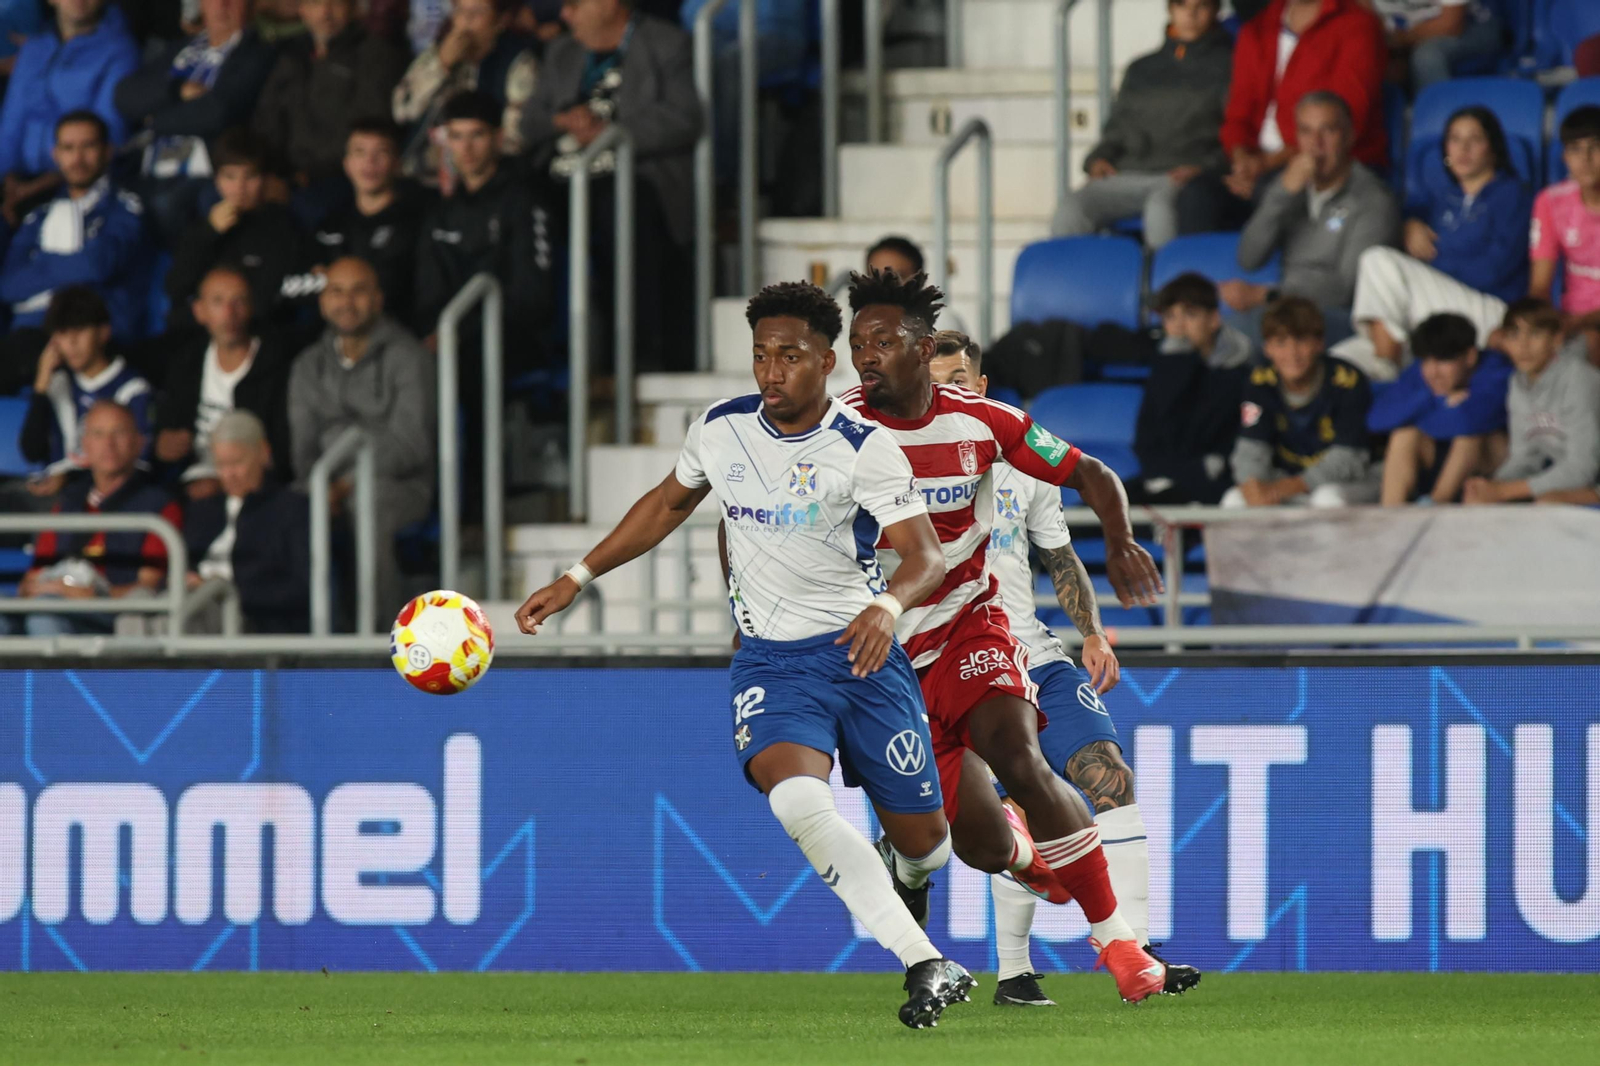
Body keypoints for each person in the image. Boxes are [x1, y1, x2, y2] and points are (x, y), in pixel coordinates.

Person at [515, 281, 977, 1028]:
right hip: (771, 665)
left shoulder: (865, 449)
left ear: (826, 362)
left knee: (928, 848)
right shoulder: (721, 429)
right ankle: (925, 960)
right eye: (761, 355)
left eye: (789, 356)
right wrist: (577, 576)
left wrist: (887, 609)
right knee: (796, 801)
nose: (771, 371)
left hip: (862, 659)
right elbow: (668, 504)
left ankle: (904, 869)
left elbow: (926, 558)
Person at [837, 269, 1172, 1003]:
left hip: (971, 628)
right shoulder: (835, 431)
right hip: (883, 659)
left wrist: (1119, 540)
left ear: (921, 347)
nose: (865, 357)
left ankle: (1120, 943)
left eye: (882, 342)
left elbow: (1090, 472)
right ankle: (1021, 854)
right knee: (977, 845)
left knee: (1022, 758)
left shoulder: (983, 422)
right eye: (857, 343)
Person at [926, 331, 1203, 1005]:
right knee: (1011, 808)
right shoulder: (900, 461)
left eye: (958, 380)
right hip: (957, 660)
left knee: (1110, 775)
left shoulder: (1021, 456)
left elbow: (1057, 554)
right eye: (934, 383)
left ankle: (1137, 947)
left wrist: (1093, 633)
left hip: (1036, 653)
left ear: (981, 387)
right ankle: (1015, 973)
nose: (946, 394)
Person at [522, 0, 701, 372]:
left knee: (623, 211)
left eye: (574, 5)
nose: (565, 15)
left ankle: (637, 354)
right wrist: (561, 120)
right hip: (562, 176)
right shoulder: (562, 50)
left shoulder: (666, 43)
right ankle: (539, 356)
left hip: (635, 175)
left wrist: (611, 133)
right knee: (517, 205)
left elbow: (683, 117)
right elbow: (529, 120)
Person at [1332, 106, 1529, 382]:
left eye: (1475, 139)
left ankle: (1388, 363)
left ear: (1493, 147)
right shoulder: (1443, 197)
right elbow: (1402, 214)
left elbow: (1495, 269)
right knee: (1336, 364)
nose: (1463, 149)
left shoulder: (1514, 194)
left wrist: (1428, 267)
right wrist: (1409, 225)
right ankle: (1386, 359)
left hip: (1491, 312)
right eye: (1455, 139)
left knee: (1376, 259)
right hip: (1435, 312)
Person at [288, 257, 435, 620]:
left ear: (378, 299)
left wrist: (347, 483)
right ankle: (299, 635)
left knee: (368, 507)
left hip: (400, 485)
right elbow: (303, 449)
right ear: (323, 301)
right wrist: (322, 486)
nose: (346, 302)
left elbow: (411, 443)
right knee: (283, 510)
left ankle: (377, 634)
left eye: (358, 291)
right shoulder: (307, 364)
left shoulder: (408, 357)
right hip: (325, 484)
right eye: (337, 292)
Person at [1178, 0, 1386, 235]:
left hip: (1326, 162)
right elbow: (1238, 115)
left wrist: (1266, 164)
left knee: (1273, 193)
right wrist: (1242, 161)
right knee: (1196, 195)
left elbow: (1343, 121)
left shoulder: (1357, 25)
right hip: (1257, 164)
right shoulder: (1257, 28)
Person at [1051, 0, 1231, 249]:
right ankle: (1071, 275)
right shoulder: (1140, 69)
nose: (1191, 13)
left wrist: (1204, 168)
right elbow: (1116, 130)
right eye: (1182, 4)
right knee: (1072, 208)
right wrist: (1098, 159)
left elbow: (1238, 135)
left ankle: (1165, 275)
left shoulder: (1231, 65)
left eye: (1201, 5)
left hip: (1181, 177)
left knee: (1161, 210)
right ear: (1170, 9)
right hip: (1127, 173)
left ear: (1215, 10)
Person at [1228, 92, 1400, 347]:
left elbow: (1346, 289)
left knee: (1238, 337)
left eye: (1328, 131)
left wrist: (1269, 296)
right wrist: (1282, 193)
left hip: (1342, 319)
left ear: (1349, 136)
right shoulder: (1290, 186)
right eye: (1306, 132)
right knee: (1210, 333)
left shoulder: (1373, 199)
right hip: (1288, 313)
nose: (1316, 144)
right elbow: (1248, 258)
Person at [1, 401, 180, 638]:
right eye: (98, 434)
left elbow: (148, 588)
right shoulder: (67, 503)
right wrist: (39, 588)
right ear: (85, 444)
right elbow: (32, 577)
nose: (108, 444)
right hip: (55, 599)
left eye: (119, 433)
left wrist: (90, 596)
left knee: (45, 614)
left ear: (139, 443)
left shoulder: (160, 507)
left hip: (111, 614)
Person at [0, 111, 148, 394]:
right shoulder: (39, 216)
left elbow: (97, 265)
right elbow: (8, 285)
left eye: (88, 146)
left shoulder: (124, 208)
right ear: (55, 154)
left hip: (93, 334)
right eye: (68, 148)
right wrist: (72, 265)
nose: (77, 158)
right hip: (31, 332)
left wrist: (41, 264)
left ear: (108, 151)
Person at [113, 0, 278, 242]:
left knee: (164, 204)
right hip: (150, 163)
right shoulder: (183, 49)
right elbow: (124, 95)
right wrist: (177, 89)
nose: (222, 6)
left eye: (233, 0)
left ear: (250, 6)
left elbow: (217, 112)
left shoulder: (257, 53)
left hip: (207, 171)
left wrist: (155, 119)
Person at [415, 91, 550, 362]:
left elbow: (531, 298)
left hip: (508, 341)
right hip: (449, 337)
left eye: (477, 135)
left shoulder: (524, 200)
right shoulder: (440, 212)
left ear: (498, 138)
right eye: (456, 136)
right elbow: (428, 294)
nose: (466, 148)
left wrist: (462, 333)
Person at [251, 0, 409, 225]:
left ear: (353, 8)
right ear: (302, 9)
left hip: (341, 177)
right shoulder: (291, 53)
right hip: (285, 175)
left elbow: (369, 125)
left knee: (305, 212)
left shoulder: (375, 52)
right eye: (315, 3)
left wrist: (301, 178)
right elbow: (266, 118)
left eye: (335, 3)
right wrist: (265, 172)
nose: (325, 12)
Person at [1223, 296, 1379, 508]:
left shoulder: (1346, 380)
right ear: (1267, 348)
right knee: (1235, 499)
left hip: (1349, 482)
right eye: (1281, 343)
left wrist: (1290, 486)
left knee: (1327, 498)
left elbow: (1350, 458)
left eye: (1301, 341)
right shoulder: (1260, 383)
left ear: (1319, 343)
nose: (1292, 353)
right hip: (1286, 481)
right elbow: (1250, 449)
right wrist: (1253, 486)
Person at [153, 266, 293, 495]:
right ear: (199, 311)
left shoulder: (277, 365)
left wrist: (225, 480)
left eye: (239, 301)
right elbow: (165, 431)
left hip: (255, 483)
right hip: (189, 479)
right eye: (218, 301)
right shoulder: (185, 362)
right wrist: (163, 445)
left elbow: (282, 450)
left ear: (252, 307)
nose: (229, 313)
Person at [0, 0, 139, 226]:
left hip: (73, 183)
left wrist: (33, 188)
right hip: (17, 181)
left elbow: (107, 136)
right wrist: (8, 180)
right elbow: (10, 123)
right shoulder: (34, 47)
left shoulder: (119, 50)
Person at [164, 128, 310, 337]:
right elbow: (175, 288)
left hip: (259, 334)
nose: (240, 187)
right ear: (216, 180)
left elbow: (269, 301)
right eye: (230, 176)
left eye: (250, 176)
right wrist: (208, 232)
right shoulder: (203, 227)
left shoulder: (282, 227)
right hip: (203, 334)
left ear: (265, 179)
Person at [183, 409, 311, 633]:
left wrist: (229, 591)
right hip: (193, 602)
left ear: (263, 453)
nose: (229, 474)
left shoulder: (292, 509)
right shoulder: (203, 511)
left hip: (250, 618)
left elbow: (301, 587)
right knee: (141, 602)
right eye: (221, 465)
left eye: (237, 463)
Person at [296, 119, 432, 328]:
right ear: (347, 164)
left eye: (381, 152)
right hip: (334, 335)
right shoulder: (331, 223)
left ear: (397, 163)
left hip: (398, 333)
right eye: (360, 152)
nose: (370, 162)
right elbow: (302, 284)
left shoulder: (417, 221)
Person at [1463, 299, 1600, 506]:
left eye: (1535, 334)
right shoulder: (1518, 383)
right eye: (1514, 335)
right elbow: (1525, 456)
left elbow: (1583, 467)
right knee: (1481, 502)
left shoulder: (1578, 378)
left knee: (1549, 502)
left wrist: (1504, 491)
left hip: (1591, 479)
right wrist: (1491, 487)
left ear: (1556, 340)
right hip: (1584, 480)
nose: (1523, 346)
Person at [1367, 312, 1511, 505]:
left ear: (1470, 356)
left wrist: (1420, 413)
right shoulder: (1420, 372)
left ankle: (1436, 503)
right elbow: (1376, 420)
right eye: (1427, 361)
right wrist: (1438, 400)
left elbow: (1469, 422)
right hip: (1440, 458)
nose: (1433, 372)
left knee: (1470, 435)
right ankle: (1391, 511)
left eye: (1443, 360)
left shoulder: (1496, 369)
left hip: (1489, 468)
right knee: (1405, 433)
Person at [18, 287, 152, 491]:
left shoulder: (133, 388)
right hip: (56, 489)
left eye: (80, 331)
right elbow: (31, 451)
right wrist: (41, 384)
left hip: (106, 492)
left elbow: (140, 463)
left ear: (103, 333)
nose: (71, 343)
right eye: (63, 334)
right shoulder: (56, 384)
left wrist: (68, 478)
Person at [1133, 274, 1251, 504]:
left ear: (1214, 319)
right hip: (1161, 480)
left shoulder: (1239, 375)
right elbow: (1146, 442)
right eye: (1170, 316)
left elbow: (1222, 446)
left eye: (1190, 314)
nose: (1179, 326)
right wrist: (1177, 363)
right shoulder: (1165, 368)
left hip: (1215, 486)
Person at [392, 0, 537, 183]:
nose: (467, 19)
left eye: (478, 12)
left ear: (500, 20)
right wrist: (441, 65)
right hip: (422, 176)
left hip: (487, 178)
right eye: (460, 11)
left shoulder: (518, 61)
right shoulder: (439, 52)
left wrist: (459, 151)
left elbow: (516, 138)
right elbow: (402, 110)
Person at [1531, 107, 1600, 366]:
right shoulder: (1550, 202)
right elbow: (1540, 285)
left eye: (1595, 147)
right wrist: (1541, 326)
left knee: (1590, 342)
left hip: (1583, 323)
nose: (1586, 159)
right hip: (1570, 318)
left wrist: (1580, 323)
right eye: (1575, 149)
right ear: (1564, 157)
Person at [1367, 0, 1502, 96]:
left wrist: (1398, 42)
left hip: (1471, 26)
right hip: (1398, 32)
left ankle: (1438, 120)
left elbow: (1451, 25)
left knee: (1427, 56)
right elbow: (1364, 13)